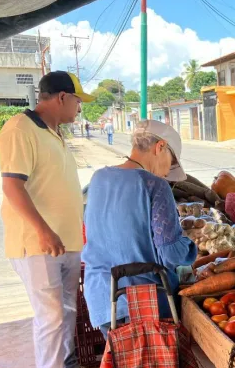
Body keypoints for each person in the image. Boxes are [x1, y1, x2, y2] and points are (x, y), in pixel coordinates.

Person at [0, 71, 97, 368]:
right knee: (51, 313)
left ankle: (67, 367)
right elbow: (12, 186)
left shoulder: (55, 133)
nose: (80, 108)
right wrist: (43, 230)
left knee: (67, 310)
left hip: (66, 241)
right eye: (79, 101)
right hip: (38, 242)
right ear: (61, 98)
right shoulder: (20, 129)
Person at [82, 120, 197, 338]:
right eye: (171, 162)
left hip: (102, 296)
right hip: (143, 300)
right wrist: (190, 245)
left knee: (124, 365)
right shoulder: (155, 185)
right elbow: (171, 254)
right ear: (160, 147)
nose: (166, 172)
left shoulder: (98, 179)